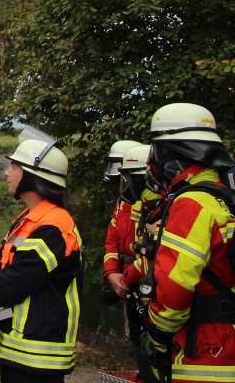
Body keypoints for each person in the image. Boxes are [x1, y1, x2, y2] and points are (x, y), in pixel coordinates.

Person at [0, 139, 81, 383]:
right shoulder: (27, 219)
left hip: (39, 353)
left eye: (15, 167)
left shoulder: (55, 226)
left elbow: (14, 282)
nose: (7, 172)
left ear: (33, 175)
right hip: (18, 348)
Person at [139, 103, 234, 383]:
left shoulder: (192, 204)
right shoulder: (223, 199)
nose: (151, 163)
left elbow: (175, 288)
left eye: (155, 151)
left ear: (172, 153)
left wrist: (156, 334)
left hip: (206, 351)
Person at [102, 143, 159, 376]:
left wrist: (125, 278)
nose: (121, 185)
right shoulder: (121, 205)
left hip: (145, 284)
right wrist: (111, 274)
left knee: (151, 344)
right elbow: (111, 243)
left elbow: (148, 253)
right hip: (128, 282)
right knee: (137, 339)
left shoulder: (154, 207)